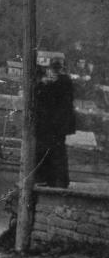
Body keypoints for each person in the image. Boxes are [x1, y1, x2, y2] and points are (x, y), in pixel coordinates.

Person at [35, 58, 75, 187]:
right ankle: (57, 181)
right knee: (57, 153)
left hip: (53, 126)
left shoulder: (59, 83)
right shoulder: (65, 82)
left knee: (49, 151)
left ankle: (50, 179)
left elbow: (44, 97)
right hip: (59, 126)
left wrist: (43, 84)